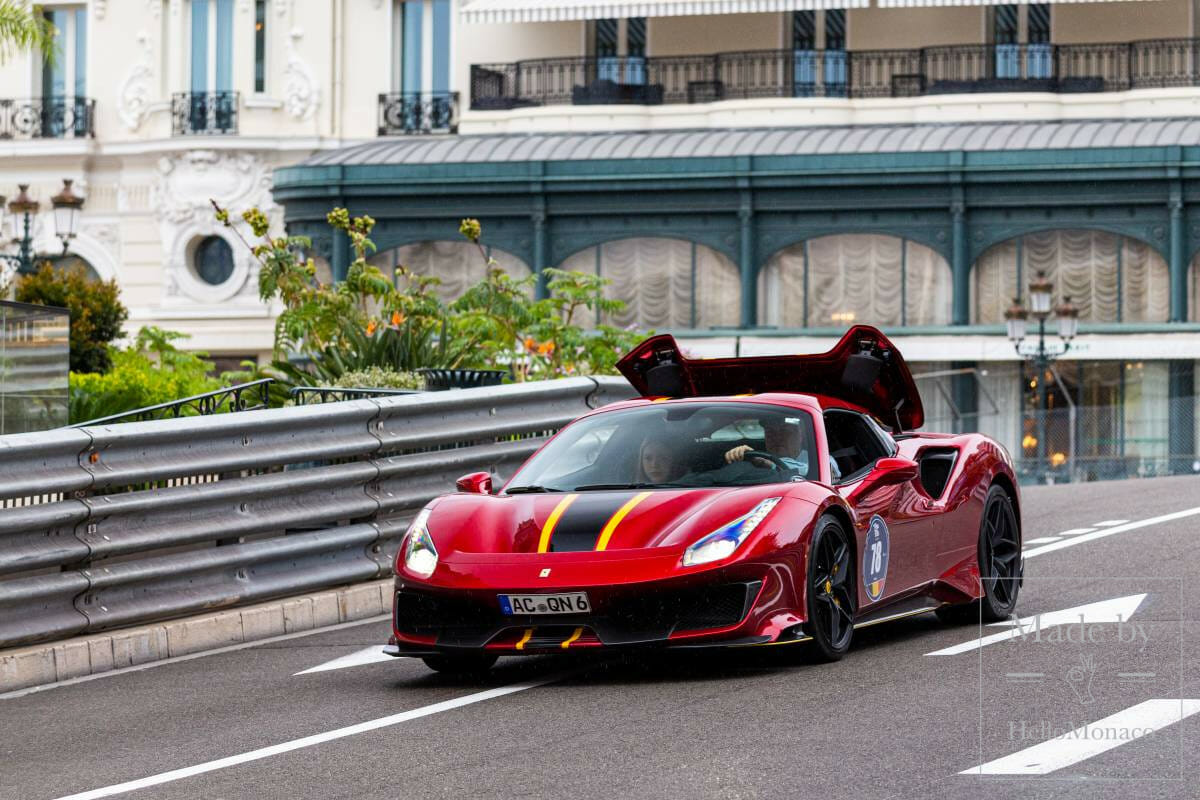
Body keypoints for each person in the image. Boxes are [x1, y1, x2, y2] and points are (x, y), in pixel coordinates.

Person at [724, 417, 810, 476]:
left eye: (785, 432)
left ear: (800, 435)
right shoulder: (758, 460)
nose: (777, 438)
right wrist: (738, 455)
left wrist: (769, 464)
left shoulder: (815, 459)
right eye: (770, 433)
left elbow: (806, 471)